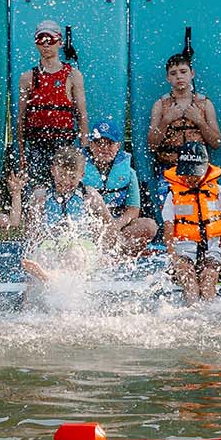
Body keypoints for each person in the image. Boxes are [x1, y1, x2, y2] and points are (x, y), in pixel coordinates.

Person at [21, 145, 111, 282]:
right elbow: (30, 231)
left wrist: (107, 253)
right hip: (51, 243)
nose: (66, 181)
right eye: (62, 175)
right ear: (53, 171)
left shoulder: (89, 195)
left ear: (81, 175)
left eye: (72, 177)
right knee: (43, 255)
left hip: (82, 245)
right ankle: (48, 278)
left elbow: (108, 224)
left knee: (74, 254)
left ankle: (51, 277)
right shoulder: (41, 196)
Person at [16, 20, 88, 187]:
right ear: (36, 43)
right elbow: (21, 118)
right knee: (37, 191)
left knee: (64, 188)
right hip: (37, 146)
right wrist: (21, 154)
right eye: (41, 40)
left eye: (50, 40)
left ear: (60, 42)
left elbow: (82, 115)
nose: (46, 45)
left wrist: (84, 152)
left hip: (63, 146)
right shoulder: (27, 78)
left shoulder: (73, 75)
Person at [147, 51, 221, 212]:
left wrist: (199, 121)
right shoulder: (160, 105)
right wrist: (166, 120)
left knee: (201, 213)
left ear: (192, 74)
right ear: (168, 78)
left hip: (199, 170)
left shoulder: (204, 104)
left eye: (183, 72)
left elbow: (216, 142)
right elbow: (152, 145)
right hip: (169, 170)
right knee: (172, 215)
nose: (179, 77)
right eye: (173, 73)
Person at [161, 139, 221, 302]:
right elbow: (168, 228)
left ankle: (208, 312)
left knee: (209, 277)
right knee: (188, 278)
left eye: (195, 173)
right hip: (183, 251)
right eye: (186, 172)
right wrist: (173, 257)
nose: (190, 178)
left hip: (211, 251)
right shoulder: (173, 194)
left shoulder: (217, 191)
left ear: (206, 168)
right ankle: (192, 310)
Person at [82, 120, 156, 254]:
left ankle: (116, 248)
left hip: (118, 226)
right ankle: (116, 249)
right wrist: (100, 228)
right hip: (90, 226)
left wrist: (114, 226)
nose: (104, 148)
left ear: (118, 146)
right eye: (99, 143)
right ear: (91, 145)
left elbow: (133, 209)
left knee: (149, 226)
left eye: (110, 143)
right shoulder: (80, 170)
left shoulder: (129, 173)